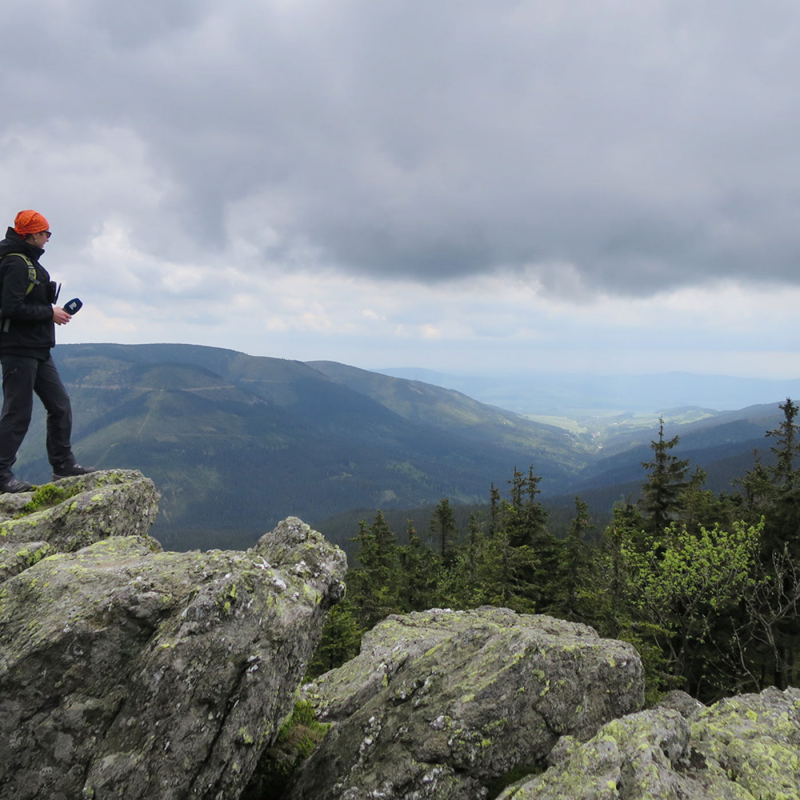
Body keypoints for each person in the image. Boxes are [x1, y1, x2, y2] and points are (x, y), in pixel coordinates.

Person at [0, 210, 93, 492]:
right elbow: (9, 308)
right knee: (18, 412)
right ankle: (1, 475)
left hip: (38, 348)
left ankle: (63, 465)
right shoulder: (16, 264)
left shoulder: (27, 262)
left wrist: (49, 313)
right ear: (31, 235)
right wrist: (49, 313)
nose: (47, 240)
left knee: (60, 404)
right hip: (18, 348)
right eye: (45, 234)